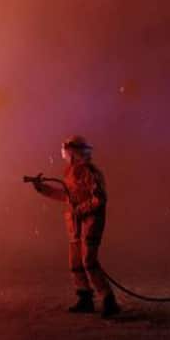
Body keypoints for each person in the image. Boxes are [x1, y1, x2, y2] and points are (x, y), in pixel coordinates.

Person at [31, 135, 121, 318]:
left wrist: (81, 209)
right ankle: (85, 298)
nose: (65, 155)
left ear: (74, 153)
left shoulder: (90, 172)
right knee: (76, 262)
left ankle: (108, 300)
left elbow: (100, 199)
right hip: (75, 224)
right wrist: (42, 188)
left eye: (67, 152)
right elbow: (66, 196)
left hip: (90, 222)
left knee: (88, 261)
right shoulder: (70, 172)